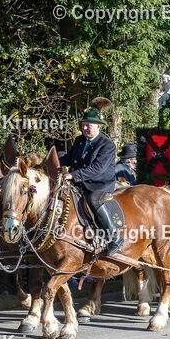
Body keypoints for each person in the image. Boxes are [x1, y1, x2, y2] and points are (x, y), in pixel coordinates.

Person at [59, 105, 121, 254]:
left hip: (101, 185)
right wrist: (52, 159)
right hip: (80, 183)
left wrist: (73, 175)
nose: (85, 128)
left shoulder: (107, 145)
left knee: (93, 200)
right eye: (84, 125)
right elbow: (69, 159)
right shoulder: (79, 140)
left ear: (98, 126)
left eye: (89, 125)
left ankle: (115, 237)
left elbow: (97, 168)